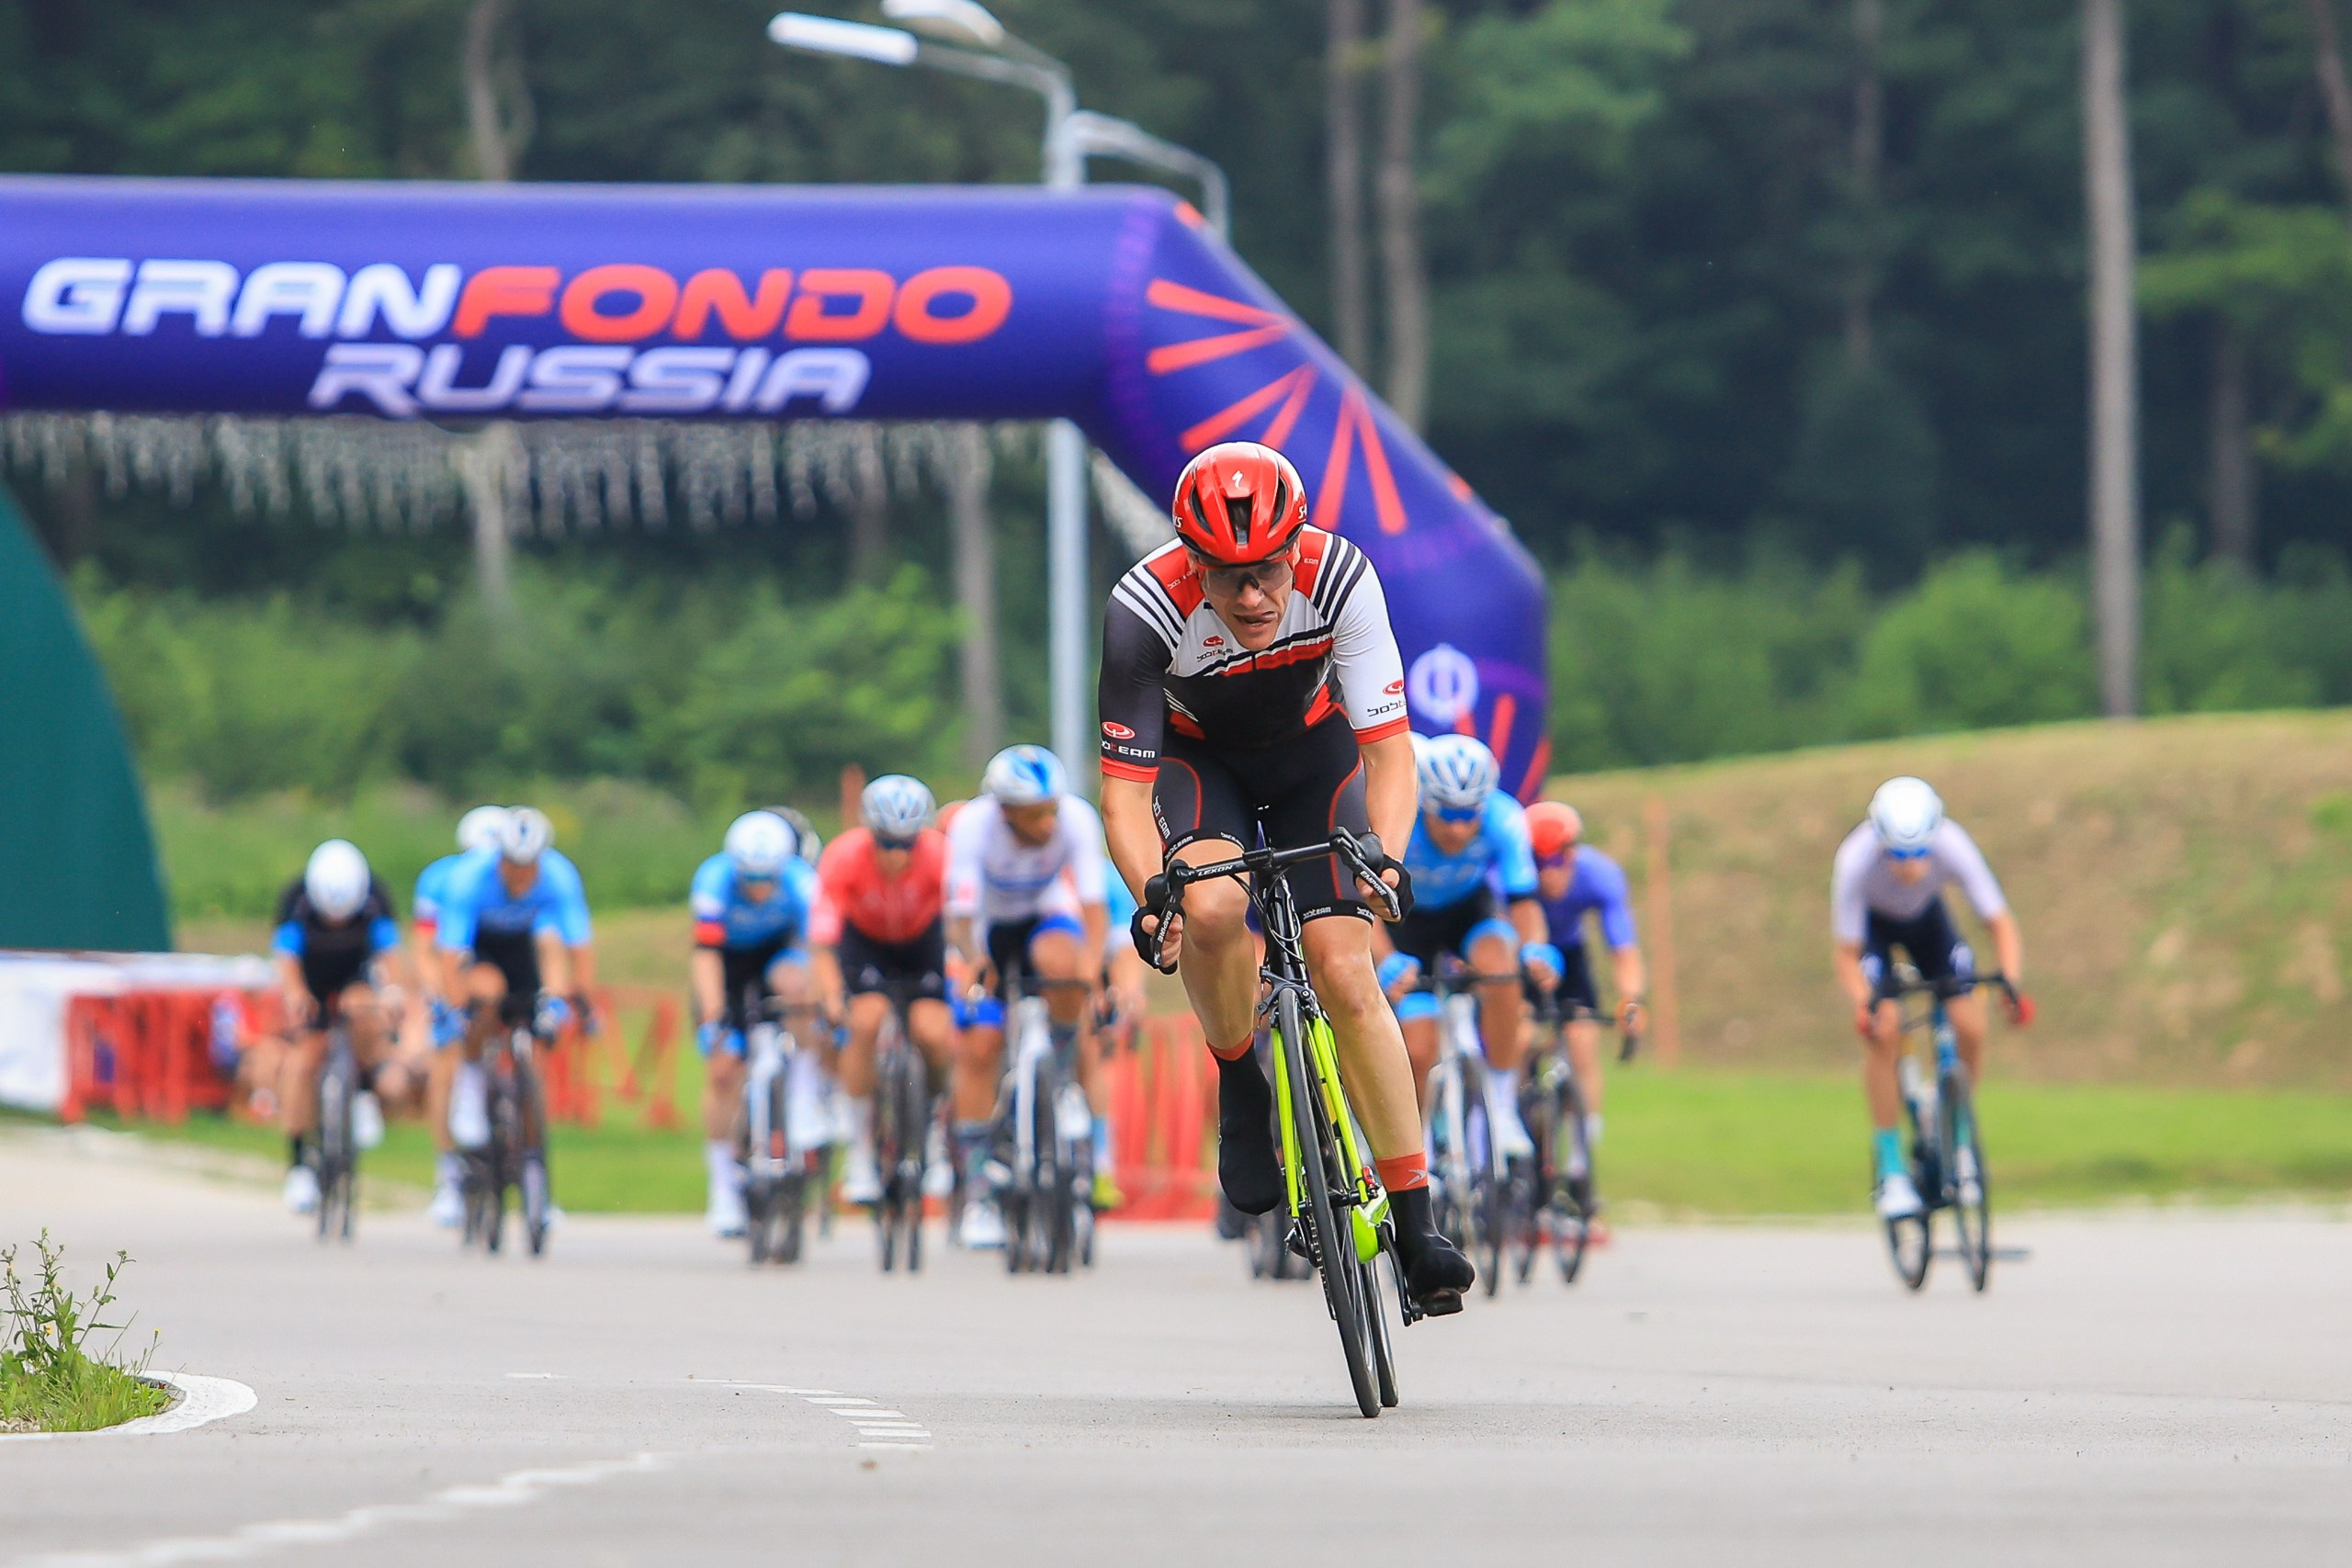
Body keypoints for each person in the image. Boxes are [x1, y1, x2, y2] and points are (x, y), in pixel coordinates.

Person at [1096, 438, 1475, 1314]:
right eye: (1229, 579)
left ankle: (1417, 1224)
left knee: (1347, 969)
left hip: (1316, 759)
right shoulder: (1144, 608)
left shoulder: (1342, 576)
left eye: (1269, 570)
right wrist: (1152, 897)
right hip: (1202, 767)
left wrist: (1383, 855)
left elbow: (1388, 753)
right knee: (1215, 903)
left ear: (1296, 549)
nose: (1255, 595)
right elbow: (1123, 799)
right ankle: (1240, 1079)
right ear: (1192, 563)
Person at [1833, 776, 2032, 1219]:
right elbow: (1846, 954)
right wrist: (1863, 1002)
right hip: (1874, 931)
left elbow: (1999, 922)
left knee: (1970, 1025)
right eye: (1898, 856)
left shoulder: (1953, 844)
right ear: (1880, 842)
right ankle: (1892, 1172)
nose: (1910, 866)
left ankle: (1958, 1140)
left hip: (1930, 924)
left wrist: (2011, 984)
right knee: (1883, 1029)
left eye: (1920, 852)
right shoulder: (1855, 860)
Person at [944, 744, 1111, 1248]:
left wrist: (1092, 969)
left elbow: (1092, 904)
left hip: (1044, 912)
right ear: (1005, 809)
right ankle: (977, 1193)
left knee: (1066, 967)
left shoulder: (1075, 818)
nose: (1049, 822)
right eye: (1037, 814)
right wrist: (975, 960)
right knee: (979, 1046)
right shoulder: (973, 827)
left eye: (1053, 808)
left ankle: (1058, 1074)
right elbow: (961, 917)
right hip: (986, 928)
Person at [1374, 734, 1554, 1159]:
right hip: (1403, 921)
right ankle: (1416, 1152)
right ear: (1425, 803)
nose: (1459, 827)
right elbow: (1365, 903)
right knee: (1418, 1048)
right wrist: (1385, 960)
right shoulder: (1399, 818)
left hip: (1467, 912)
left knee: (1502, 968)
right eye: (1448, 814)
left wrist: (1535, 949)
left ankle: (1501, 1103)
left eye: (1469, 815)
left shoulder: (1504, 818)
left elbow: (1523, 901)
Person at [431, 807, 595, 1225]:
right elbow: (450, 957)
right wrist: (457, 1011)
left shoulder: (560, 875)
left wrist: (579, 1002)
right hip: (480, 949)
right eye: (512, 865)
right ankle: (470, 1085)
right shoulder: (470, 879)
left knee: (536, 1047)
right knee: (486, 995)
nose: (521, 875)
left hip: (523, 947)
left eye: (529, 866)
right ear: (498, 857)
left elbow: (579, 946)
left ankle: (535, 1175)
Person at [809, 775, 955, 1207]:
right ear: (869, 833)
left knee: (932, 1033)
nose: (896, 855)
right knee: (865, 1019)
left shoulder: (944, 857)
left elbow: (966, 924)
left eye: (906, 844)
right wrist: (833, 996)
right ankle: (859, 1150)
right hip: (865, 943)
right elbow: (821, 941)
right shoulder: (843, 857)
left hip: (924, 942)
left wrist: (962, 977)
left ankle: (934, 1134)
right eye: (886, 843)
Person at [689, 809, 821, 1237]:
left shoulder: (802, 880)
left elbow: (820, 948)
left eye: (768, 880)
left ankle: (801, 1096)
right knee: (723, 1072)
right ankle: (723, 1188)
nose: (760, 889)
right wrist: (712, 1014)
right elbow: (706, 955)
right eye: (750, 880)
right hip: (728, 966)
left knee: (799, 989)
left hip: (780, 957)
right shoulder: (713, 880)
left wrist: (822, 1008)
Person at [272, 840, 408, 1214]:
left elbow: (390, 954)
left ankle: (362, 1091)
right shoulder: (296, 899)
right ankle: (299, 1165)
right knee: (303, 1063)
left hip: (355, 975)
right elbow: (286, 959)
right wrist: (297, 994)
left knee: (363, 1009)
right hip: (312, 977)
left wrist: (394, 993)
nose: (336, 923)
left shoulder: (376, 896)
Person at [1523, 800, 1645, 1200]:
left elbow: (1623, 949)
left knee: (1582, 1045)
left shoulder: (1599, 875)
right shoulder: (1510, 873)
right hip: (1523, 955)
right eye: (1537, 863)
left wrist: (1630, 1000)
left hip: (1571, 959)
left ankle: (1580, 1158)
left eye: (1556, 862)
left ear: (1572, 853)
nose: (1547, 875)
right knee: (1520, 1039)